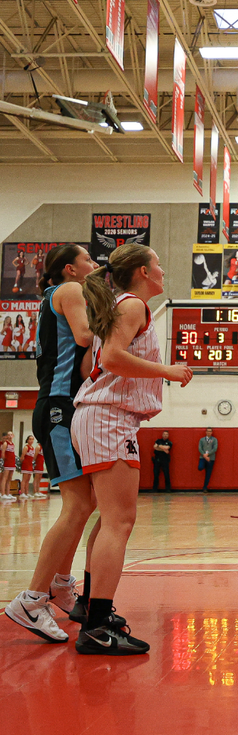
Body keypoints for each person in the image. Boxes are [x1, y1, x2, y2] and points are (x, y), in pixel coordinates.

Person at [70, 243, 192, 655]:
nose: (162, 269)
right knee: (120, 522)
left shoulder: (123, 306)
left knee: (110, 520)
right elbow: (115, 358)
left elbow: (93, 366)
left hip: (101, 416)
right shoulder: (134, 305)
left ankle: (90, 606)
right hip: (108, 418)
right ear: (142, 270)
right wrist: (167, 372)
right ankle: (98, 625)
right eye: (157, 263)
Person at [4, 244, 97, 642]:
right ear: (69, 269)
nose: (94, 265)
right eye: (88, 259)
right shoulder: (71, 291)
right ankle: (31, 598)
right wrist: (125, 322)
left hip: (63, 405)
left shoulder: (57, 296)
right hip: (59, 407)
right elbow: (85, 335)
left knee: (86, 502)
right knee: (77, 506)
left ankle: (59, 584)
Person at [0, 432, 17, 501]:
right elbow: (3, 454)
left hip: (12, 463)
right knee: (4, 478)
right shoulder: (5, 443)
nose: (10, 436)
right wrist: (5, 461)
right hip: (7, 463)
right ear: (7, 436)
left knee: (9, 479)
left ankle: (8, 493)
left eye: (11, 435)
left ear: (13, 436)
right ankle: (3, 494)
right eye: (8, 435)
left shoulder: (13, 444)